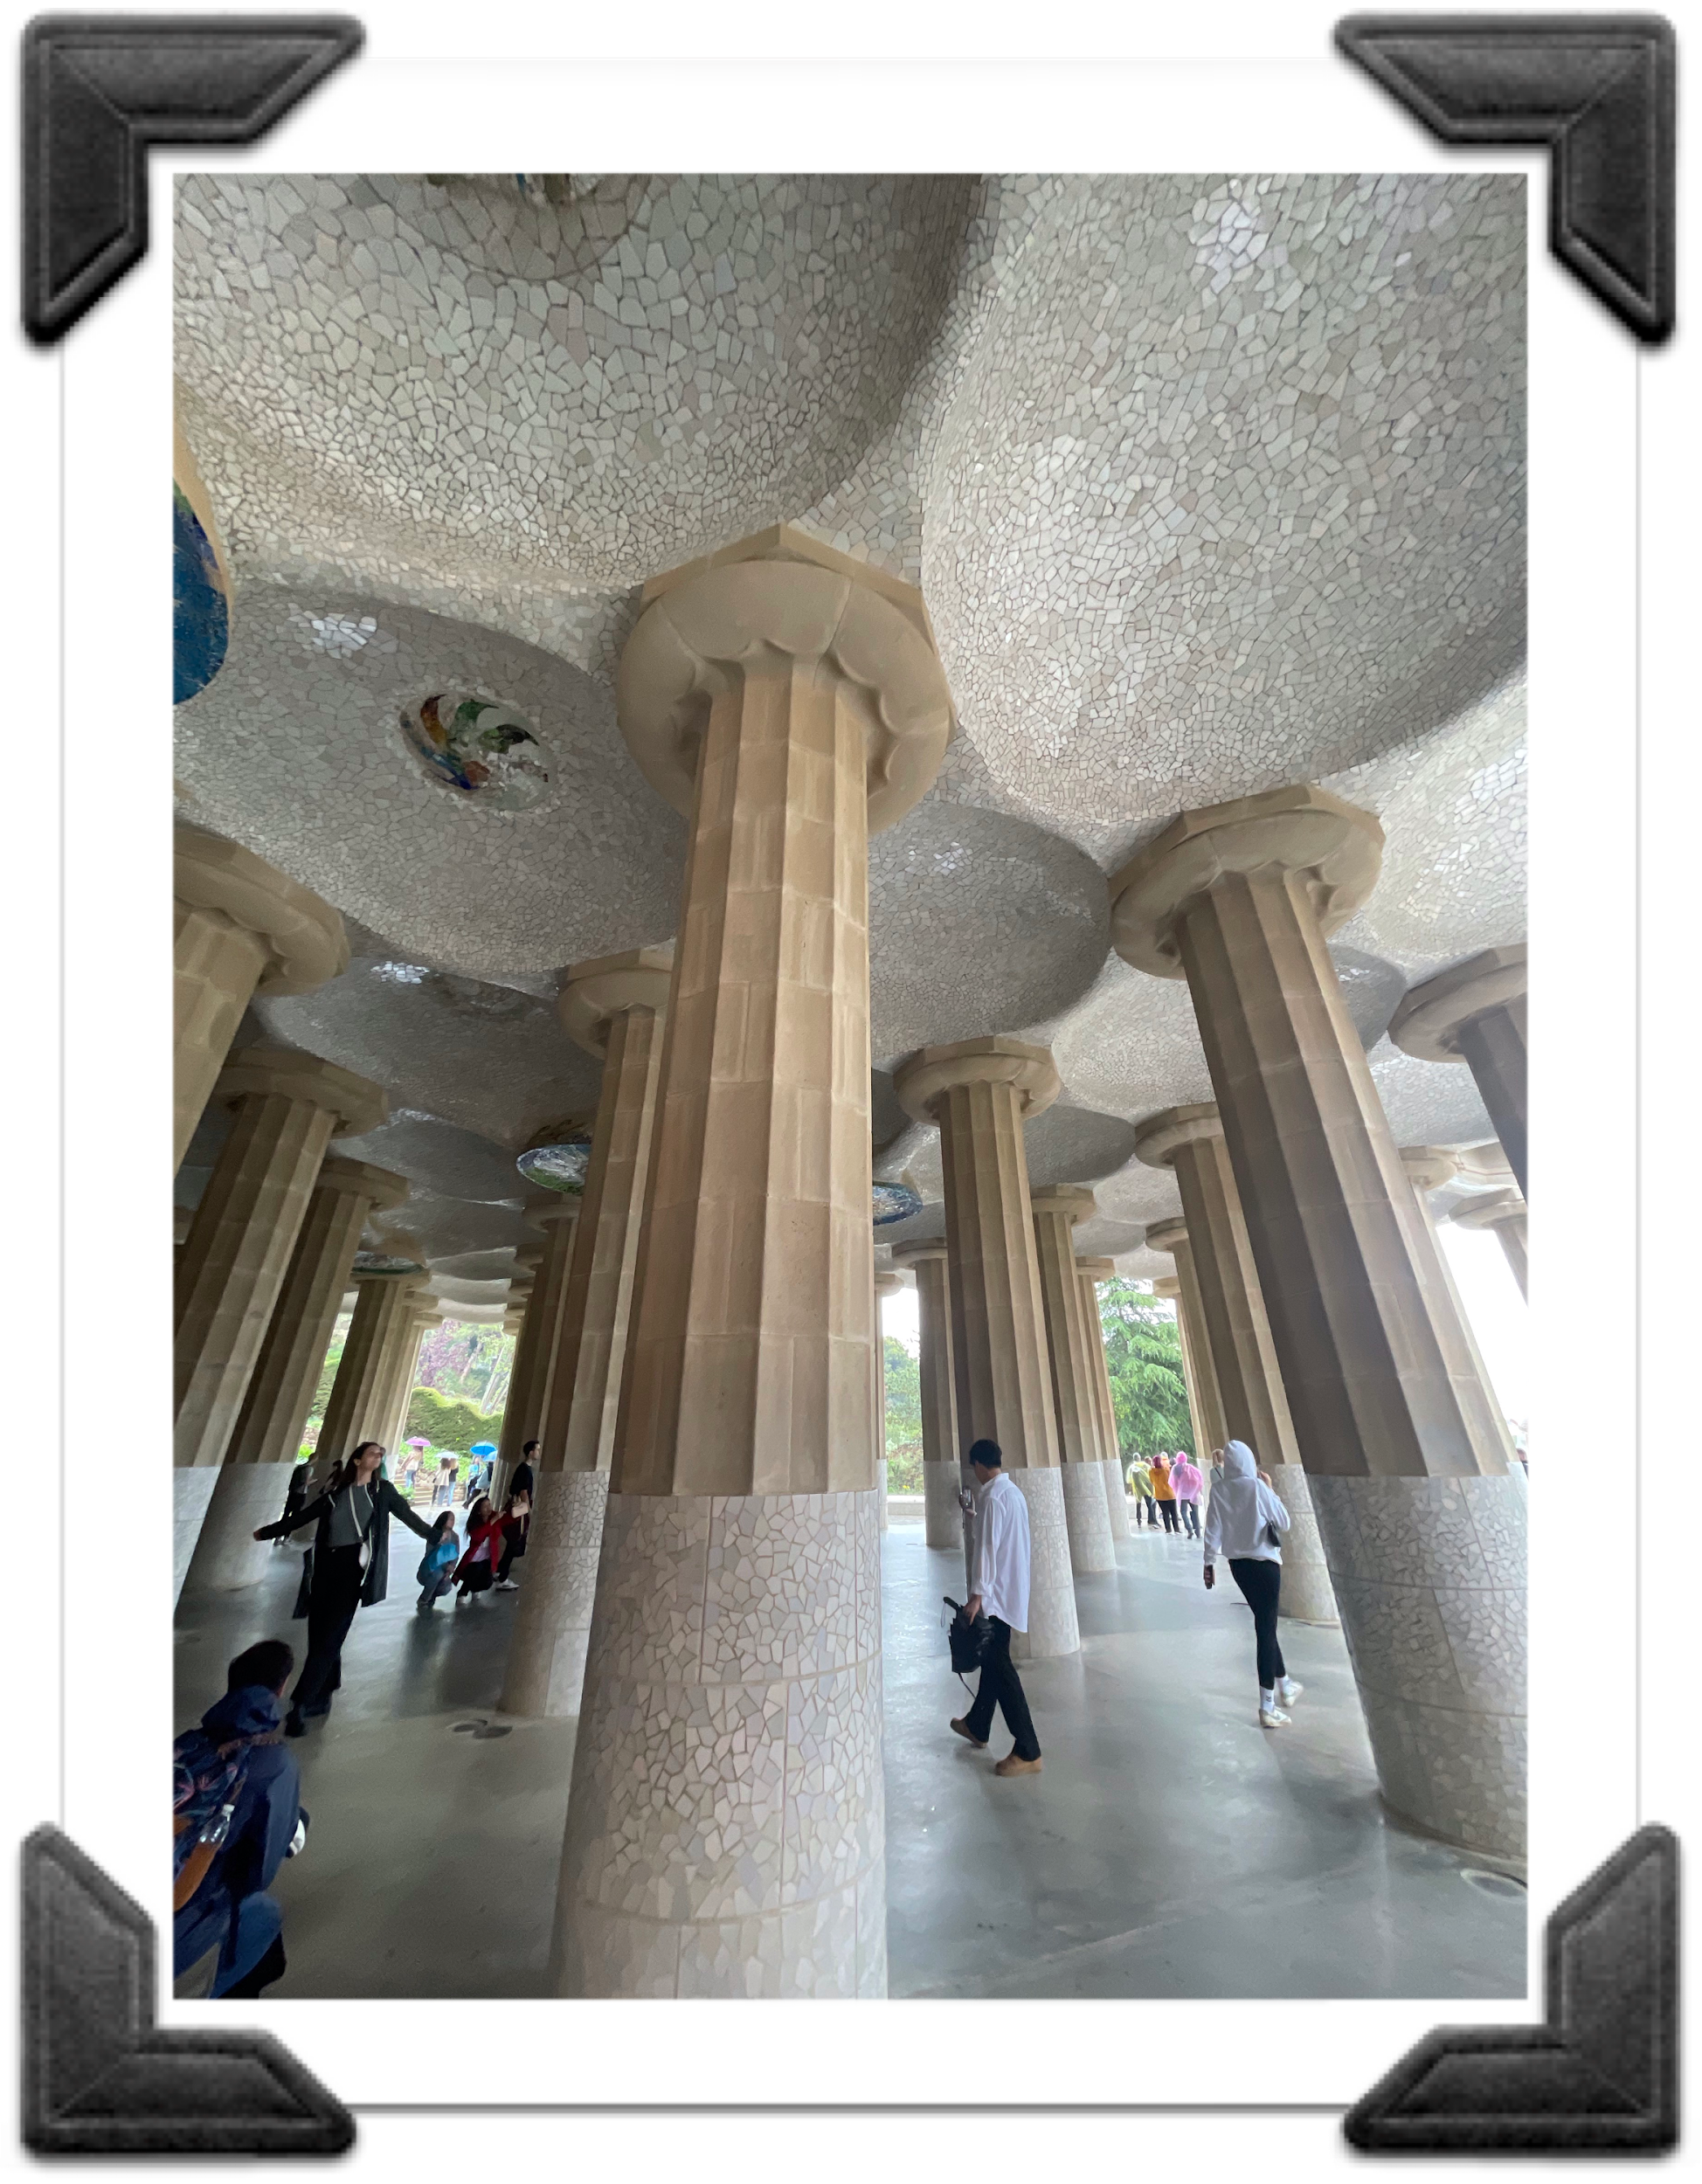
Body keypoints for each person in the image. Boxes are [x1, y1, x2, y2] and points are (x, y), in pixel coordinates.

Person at [253, 1441, 434, 1734]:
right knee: (319, 1634)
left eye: (381, 1455)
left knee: (331, 1635)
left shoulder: (382, 1491)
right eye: (373, 1453)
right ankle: (325, 1691)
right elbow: (304, 1516)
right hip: (324, 1567)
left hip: (353, 1569)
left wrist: (436, 1535)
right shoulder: (336, 1493)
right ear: (357, 1460)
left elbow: (407, 1515)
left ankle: (300, 1704)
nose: (379, 1456)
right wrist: (267, 1532)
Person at [172, 1640, 307, 1999]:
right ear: (280, 1689)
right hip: (180, 1919)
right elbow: (257, 1875)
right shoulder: (276, 1764)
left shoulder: (186, 1744)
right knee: (262, 1917)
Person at [949, 1440, 1042, 1778]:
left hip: (996, 1598)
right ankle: (978, 1724)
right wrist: (973, 1515)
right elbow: (999, 1537)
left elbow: (987, 1549)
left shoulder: (991, 1497)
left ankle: (1028, 1749)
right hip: (1010, 1591)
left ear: (978, 1464)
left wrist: (977, 1596)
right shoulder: (1011, 1494)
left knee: (1001, 1668)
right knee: (992, 1662)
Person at [1202, 1438, 1304, 1727]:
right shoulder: (1258, 1488)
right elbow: (1284, 1522)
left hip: (1239, 1567)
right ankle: (1267, 1706)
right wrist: (1270, 1489)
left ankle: (1285, 1684)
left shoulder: (1219, 1489)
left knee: (1265, 1623)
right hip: (1265, 1566)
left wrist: (1208, 1563)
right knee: (1265, 1629)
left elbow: (1212, 1529)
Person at [452, 1494, 504, 1601]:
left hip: (487, 1558)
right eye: (485, 1506)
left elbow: (507, 1520)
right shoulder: (475, 1524)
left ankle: (475, 1589)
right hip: (473, 1559)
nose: (489, 1508)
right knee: (475, 1570)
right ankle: (463, 1592)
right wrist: (493, 1520)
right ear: (479, 1511)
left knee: (488, 1582)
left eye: (489, 1505)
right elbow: (479, 1535)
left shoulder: (494, 1517)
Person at [416, 1510, 459, 1611]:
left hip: (444, 1569)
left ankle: (431, 1596)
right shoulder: (435, 1534)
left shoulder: (455, 1537)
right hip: (429, 1567)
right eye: (450, 1519)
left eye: (453, 1519)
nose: (453, 1522)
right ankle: (423, 1599)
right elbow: (430, 1555)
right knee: (438, 1574)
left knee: (446, 1587)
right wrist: (440, 1543)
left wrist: (451, 1567)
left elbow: (455, 1555)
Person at [494, 1488, 531, 1591]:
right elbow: (524, 1493)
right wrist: (529, 1512)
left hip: (513, 1515)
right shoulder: (525, 1477)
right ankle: (503, 1578)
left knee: (510, 1548)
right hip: (517, 1518)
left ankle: (499, 1571)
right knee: (513, 1548)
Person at [1172, 1448, 1203, 1538]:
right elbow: (1199, 1479)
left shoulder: (1175, 1468)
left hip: (1182, 1494)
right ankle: (1198, 1532)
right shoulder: (1191, 1468)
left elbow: (1174, 1482)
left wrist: (1177, 1491)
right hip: (1193, 1493)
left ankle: (1189, 1530)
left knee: (1183, 1512)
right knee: (1195, 1512)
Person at [1150, 1450, 1180, 1532]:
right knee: (1174, 1512)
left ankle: (1168, 1530)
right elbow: (1171, 1480)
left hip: (1159, 1495)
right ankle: (1176, 1529)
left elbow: (1152, 1482)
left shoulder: (1151, 1471)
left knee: (1165, 1513)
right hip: (1170, 1494)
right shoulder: (1166, 1470)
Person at [1127, 1454, 1156, 1526]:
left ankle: (1139, 1520)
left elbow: (1129, 1480)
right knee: (1149, 1504)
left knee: (1138, 1504)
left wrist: (1131, 1488)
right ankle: (1151, 1519)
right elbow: (1151, 1474)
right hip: (1146, 1487)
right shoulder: (1145, 1465)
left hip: (1137, 1488)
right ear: (1139, 1458)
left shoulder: (1131, 1467)